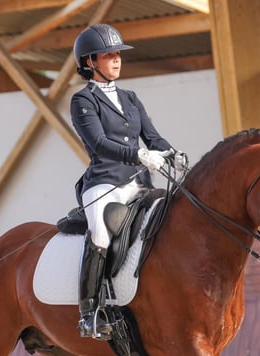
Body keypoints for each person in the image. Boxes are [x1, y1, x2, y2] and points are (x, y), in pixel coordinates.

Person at [70, 23, 185, 339]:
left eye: (118, 55)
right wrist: (140, 155)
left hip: (139, 183)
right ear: (90, 62)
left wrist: (171, 153)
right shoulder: (83, 101)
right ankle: (90, 312)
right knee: (101, 234)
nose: (117, 60)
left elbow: (152, 136)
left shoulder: (131, 97)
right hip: (104, 183)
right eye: (108, 56)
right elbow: (99, 144)